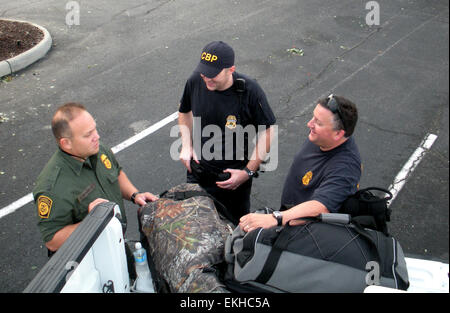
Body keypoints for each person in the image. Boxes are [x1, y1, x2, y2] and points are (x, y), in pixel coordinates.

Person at [33, 102, 158, 255]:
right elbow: (52, 241)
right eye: (88, 134)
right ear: (66, 143)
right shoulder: (52, 187)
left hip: (115, 242)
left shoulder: (97, 149)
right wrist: (92, 221)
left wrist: (135, 195)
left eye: (95, 129)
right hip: (90, 259)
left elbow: (116, 174)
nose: (97, 136)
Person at [178, 41, 276, 225]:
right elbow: (184, 112)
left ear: (231, 69)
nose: (206, 78)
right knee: (196, 227)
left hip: (232, 180)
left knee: (235, 229)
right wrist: (186, 145)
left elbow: (268, 131)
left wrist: (247, 172)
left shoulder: (250, 91)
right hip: (198, 173)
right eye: (203, 72)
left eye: (212, 74)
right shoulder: (195, 81)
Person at [239, 94, 361, 232]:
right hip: (289, 213)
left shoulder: (346, 167)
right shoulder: (322, 138)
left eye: (318, 123)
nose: (309, 124)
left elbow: (321, 207)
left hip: (303, 229)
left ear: (338, 134)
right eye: (313, 117)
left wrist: (276, 218)